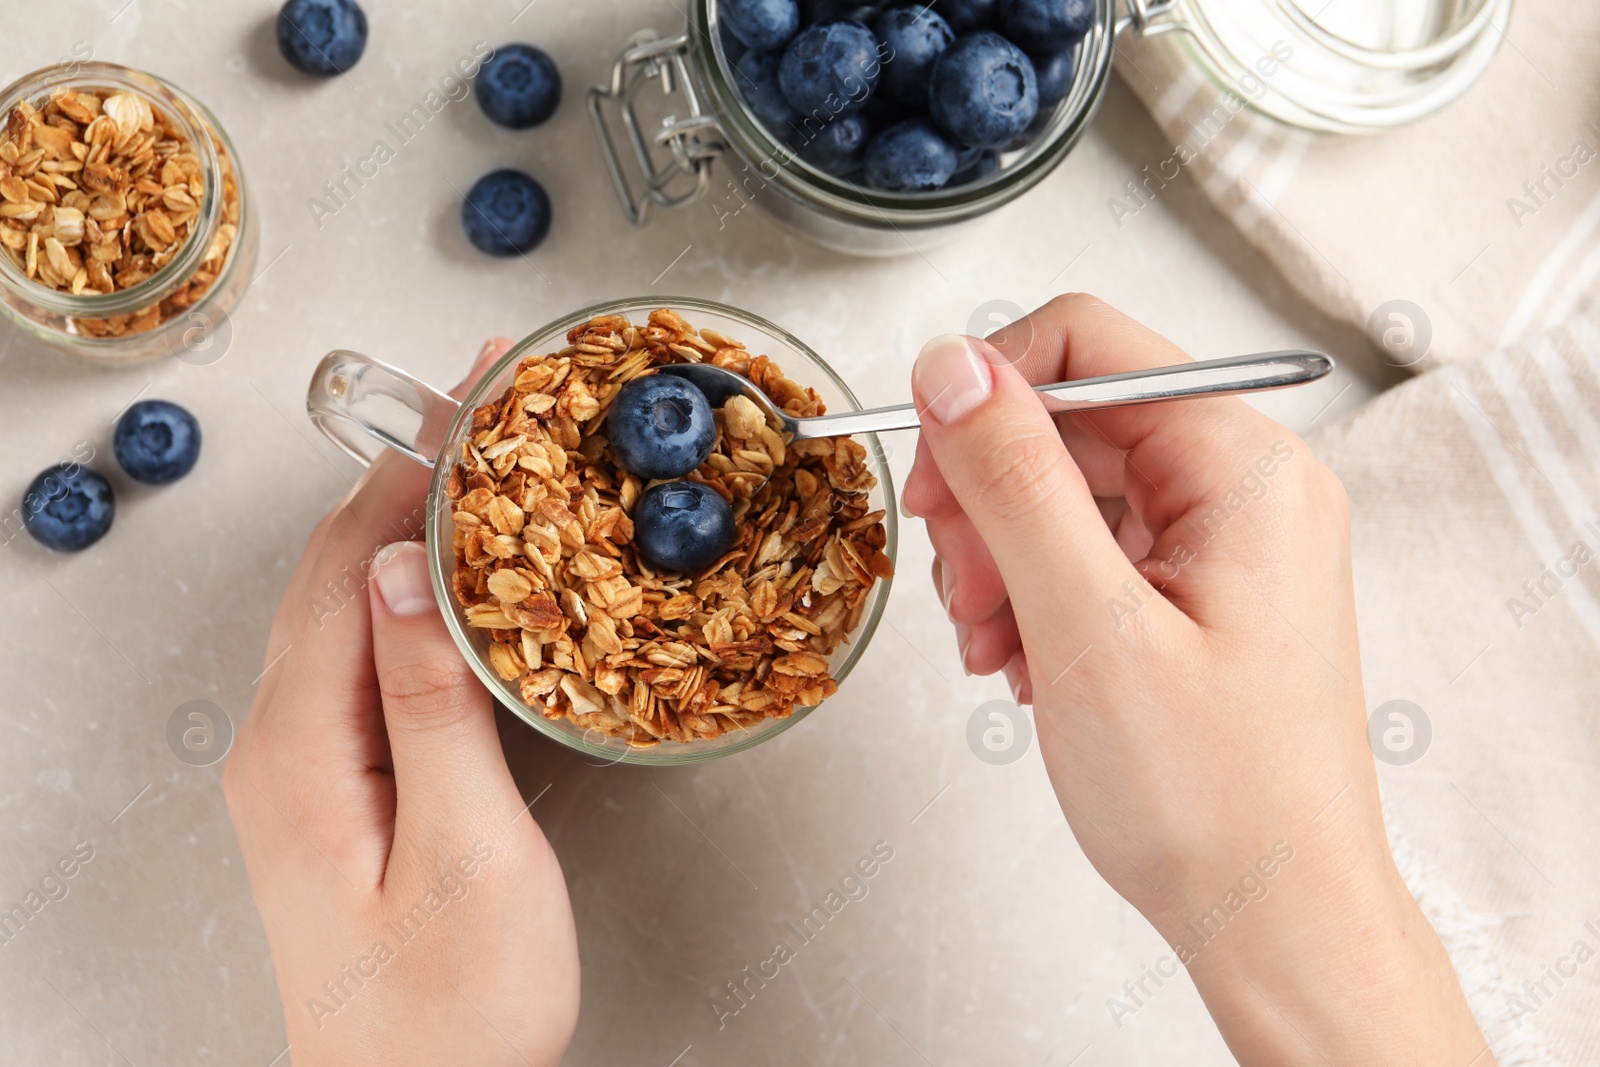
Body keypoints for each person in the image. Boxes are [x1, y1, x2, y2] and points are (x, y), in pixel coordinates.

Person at [225, 296, 1491, 1065]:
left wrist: (1267, 882)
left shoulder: (786, 579)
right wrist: (1293, 894)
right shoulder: (581, 496)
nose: (678, 458)